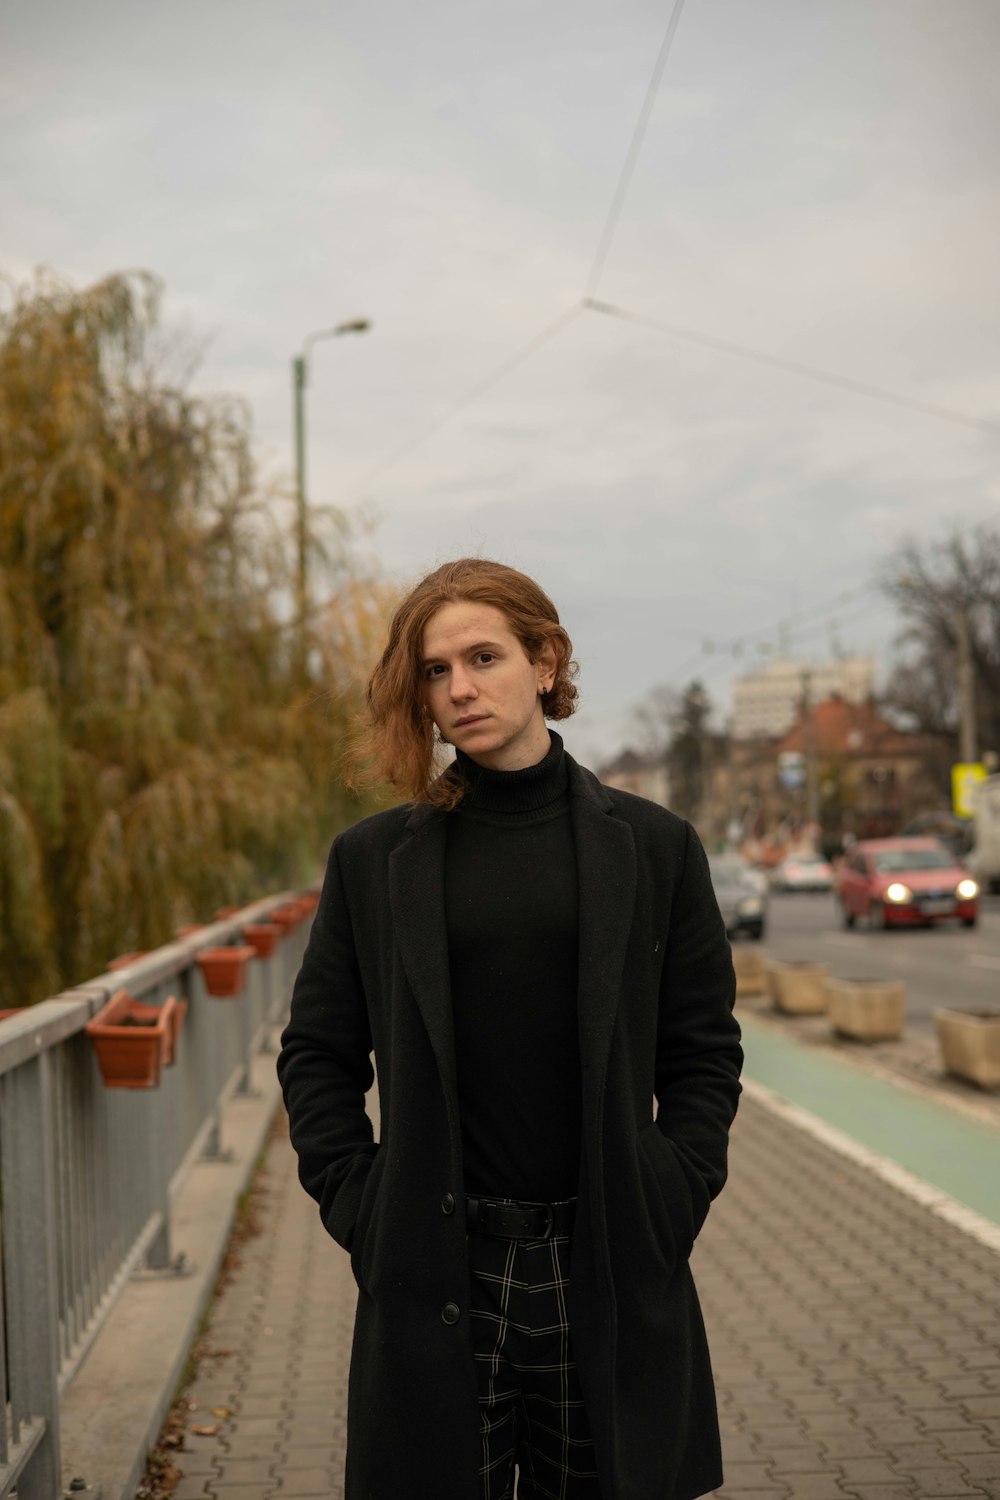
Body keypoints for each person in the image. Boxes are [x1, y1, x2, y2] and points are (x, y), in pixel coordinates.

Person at [277, 557, 743, 1500]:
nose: (460, 688)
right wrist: (362, 1208)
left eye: (483, 657)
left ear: (545, 661)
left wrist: (673, 1189)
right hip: (437, 1271)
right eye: (436, 672)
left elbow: (704, 1050)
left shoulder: (653, 847)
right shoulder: (375, 861)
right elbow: (317, 1053)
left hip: (606, 1261)